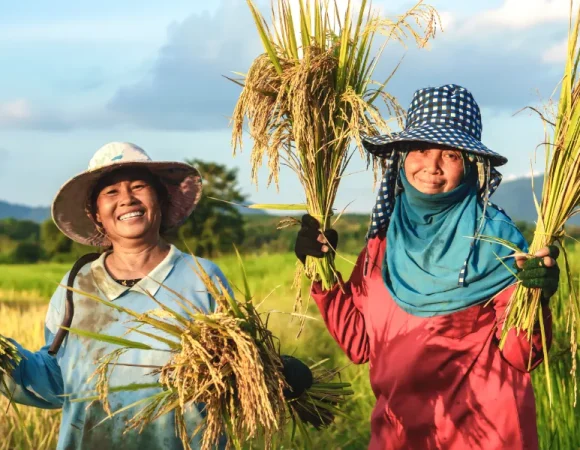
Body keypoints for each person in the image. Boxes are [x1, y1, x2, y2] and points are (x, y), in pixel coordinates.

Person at [294, 84, 561, 450]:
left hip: (482, 435)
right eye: (420, 149)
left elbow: (522, 355)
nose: (431, 166)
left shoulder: (496, 241)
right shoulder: (383, 244)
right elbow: (359, 344)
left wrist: (537, 297)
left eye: (450, 154)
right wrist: (319, 268)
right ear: (402, 157)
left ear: (469, 166)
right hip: (400, 433)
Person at [0, 142, 309, 450]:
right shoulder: (75, 286)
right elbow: (55, 381)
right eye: (111, 192)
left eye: (139, 186)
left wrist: (269, 373)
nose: (126, 199)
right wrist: (5, 360)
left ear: (160, 199)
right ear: (97, 214)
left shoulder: (202, 279)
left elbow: (232, 371)